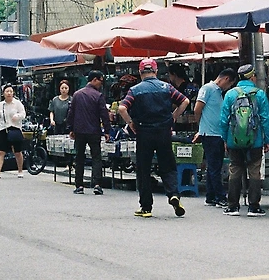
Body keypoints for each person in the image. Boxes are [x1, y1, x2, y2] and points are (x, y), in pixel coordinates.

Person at [118, 58, 190, 218]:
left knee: (143, 169)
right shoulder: (166, 87)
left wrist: (130, 123)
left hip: (144, 133)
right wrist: (173, 117)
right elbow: (185, 101)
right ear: (156, 72)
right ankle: (173, 194)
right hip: (164, 131)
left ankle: (146, 207)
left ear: (140, 72)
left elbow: (122, 108)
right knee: (168, 166)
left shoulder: (135, 90)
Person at [219, 63, 269, 217]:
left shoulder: (230, 94)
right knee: (254, 171)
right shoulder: (259, 94)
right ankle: (254, 207)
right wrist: (267, 140)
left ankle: (233, 206)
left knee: (235, 170)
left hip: (233, 139)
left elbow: (223, 120)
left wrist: (225, 139)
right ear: (252, 76)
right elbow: (266, 119)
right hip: (255, 140)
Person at [193, 68, 237, 207]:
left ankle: (211, 196)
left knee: (214, 166)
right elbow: (197, 109)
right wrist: (201, 127)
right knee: (214, 167)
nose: (228, 88)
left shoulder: (218, 93)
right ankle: (220, 196)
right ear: (226, 79)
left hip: (217, 134)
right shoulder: (208, 89)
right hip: (210, 134)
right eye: (229, 85)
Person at [66, 71, 112, 195]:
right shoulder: (98, 96)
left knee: (79, 157)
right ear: (95, 80)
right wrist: (107, 131)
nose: (101, 84)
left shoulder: (77, 94)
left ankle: (79, 185)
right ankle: (97, 184)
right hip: (94, 131)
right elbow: (104, 114)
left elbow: (71, 113)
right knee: (96, 157)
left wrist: (70, 128)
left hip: (79, 131)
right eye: (100, 81)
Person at [0, 85, 26, 179]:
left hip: (15, 129)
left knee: (17, 151)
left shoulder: (17, 103)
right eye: (7, 91)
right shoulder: (0, 105)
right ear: (3, 93)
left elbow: (23, 114)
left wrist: (17, 116)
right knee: (0, 152)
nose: (9, 93)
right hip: (3, 129)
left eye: (11, 91)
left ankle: (20, 171)